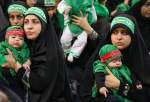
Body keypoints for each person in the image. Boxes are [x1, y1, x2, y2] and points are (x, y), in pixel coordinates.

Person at [72, 13, 150, 102]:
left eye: (124, 32)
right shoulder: (101, 55)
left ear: (132, 35)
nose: (119, 37)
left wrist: (119, 86)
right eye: (115, 32)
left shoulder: (141, 60)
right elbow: (86, 92)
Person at [4, 7, 69, 102]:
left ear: (44, 25)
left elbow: (38, 84)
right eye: (26, 22)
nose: (29, 26)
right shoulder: (28, 46)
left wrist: (16, 65)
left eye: (35, 22)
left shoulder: (49, 52)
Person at [0, 25, 30, 100]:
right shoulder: (3, 47)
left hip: (19, 78)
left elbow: (28, 58)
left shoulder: (25, 50)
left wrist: (27, 62)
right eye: (13, 37)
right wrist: (4, 61)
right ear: (7, 39)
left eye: (21, 38)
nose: (17, 40)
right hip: (5, 76)